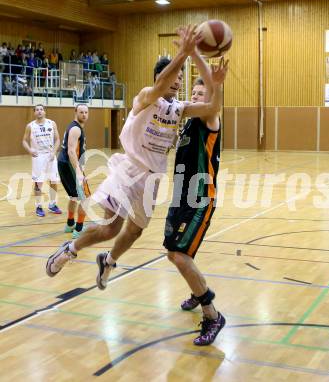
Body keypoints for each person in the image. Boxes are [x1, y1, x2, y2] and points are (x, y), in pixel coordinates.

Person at [45, 26, 227, 304]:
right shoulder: (146, 97)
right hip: (128, 168)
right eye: (174, 76)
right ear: (161, 77)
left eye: (180, 77)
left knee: (134, 231)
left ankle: (109, 260)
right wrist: (183, 54)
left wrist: (217, 84)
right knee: (110, 227)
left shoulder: (179, 109)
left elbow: (211, 109)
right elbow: (159, 86)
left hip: (151, 178)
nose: (178, 81)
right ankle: (69, 249)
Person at [163, 49, 227, 346]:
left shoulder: (209, 118)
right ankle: (196, 289)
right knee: (174, 253)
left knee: (180, 254)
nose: (198, 97)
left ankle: (212, 314)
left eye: (203, 93)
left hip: (200, 198)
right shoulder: (187, 122)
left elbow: (213, 102)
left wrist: (197, 57)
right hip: (180, 197)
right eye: (196, 92)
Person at [57, 104, 91, 239]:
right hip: (70, 165)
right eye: (81, 112)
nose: (84, 114)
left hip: (64, 163)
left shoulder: (74, 126)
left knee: (73, 196)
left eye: (86, 112)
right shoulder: (76, 128)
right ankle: (79, 229)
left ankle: (70, 224)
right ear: (75, 112)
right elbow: (71, 151)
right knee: (86, 198)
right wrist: (78, 171)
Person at [22, 104, 62, 217]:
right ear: (34, 112)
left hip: (51, 156)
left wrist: (54, 152)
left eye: (41, 109)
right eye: (37, 110)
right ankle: (38, 206)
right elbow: (24, 141)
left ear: (45, 112)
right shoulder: (30, 126)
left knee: (54, 181)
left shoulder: (52, 123)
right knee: (38, 183)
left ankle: (52, 204)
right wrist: (30, 150)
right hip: (38, 157)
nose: (39, 111)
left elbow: (58, 139)